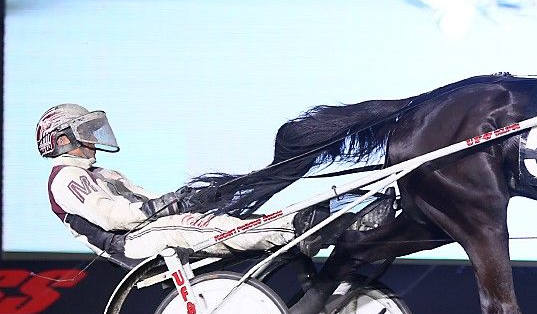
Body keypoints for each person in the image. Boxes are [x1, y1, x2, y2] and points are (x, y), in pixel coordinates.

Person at [38, 103, 338, 267]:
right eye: (86, 131)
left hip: (146, 232)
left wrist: (189, 199)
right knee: (185, 223)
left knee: (206, 219)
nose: (93, 138)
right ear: (63, 140)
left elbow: (149, 201)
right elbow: (116, 217)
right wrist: (174, 204)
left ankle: (299, 224)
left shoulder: (104, 173)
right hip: (130, 244)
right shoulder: (66, 178)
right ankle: (295, 229)